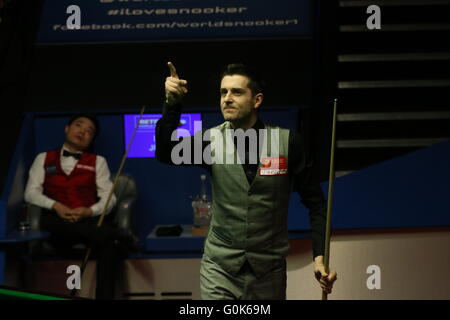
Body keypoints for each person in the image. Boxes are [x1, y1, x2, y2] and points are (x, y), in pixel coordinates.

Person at [156, 62, 337, 300]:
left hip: (268, 271)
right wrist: (172, 104)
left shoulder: (288, 143)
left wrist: (319, 257)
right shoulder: (209, 142)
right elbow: (166, 152)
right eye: (223, 92)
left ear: (257, 100)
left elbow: (316, 204)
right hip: (220, 269)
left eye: (237, 92)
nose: (227, 98)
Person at [24, 114, 126, 300]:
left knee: (108, 246)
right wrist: (55, 205)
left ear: (92, 139)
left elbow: (109, 199)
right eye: (79, 125)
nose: (83, 131)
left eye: (89, 131)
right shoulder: (43, 158)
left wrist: (89, 211)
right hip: (55, 224)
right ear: (67, 128)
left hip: (85, 223)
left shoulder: (98, 162)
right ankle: (118, 234)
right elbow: (31, 193)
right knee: (60, 224)